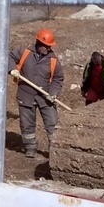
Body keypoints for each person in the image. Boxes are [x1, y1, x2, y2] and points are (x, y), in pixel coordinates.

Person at [8, 28, 64, 158]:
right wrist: (12, 69)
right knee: (27, 124)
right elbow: (9, 56)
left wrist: (53, 93)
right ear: (39, 43)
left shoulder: (53, 60)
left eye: (50, 46)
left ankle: (55, 150)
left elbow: (58, 79)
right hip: (26, 95)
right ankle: (30, 147)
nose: (48, 49)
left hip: (45, 97)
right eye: (46, 46)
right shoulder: (25, 52)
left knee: (52, 124)